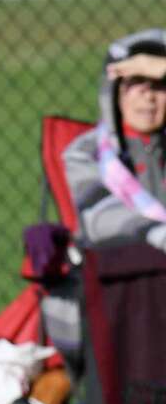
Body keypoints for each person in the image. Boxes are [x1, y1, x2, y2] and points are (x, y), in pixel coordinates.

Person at [64, 30, 166, 253]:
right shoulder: (85, 152)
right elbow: (99, 218)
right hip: (120, 275)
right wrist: (157, 233)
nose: (148, 96)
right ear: (114, 92)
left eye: (159, 84)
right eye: (137, 82)